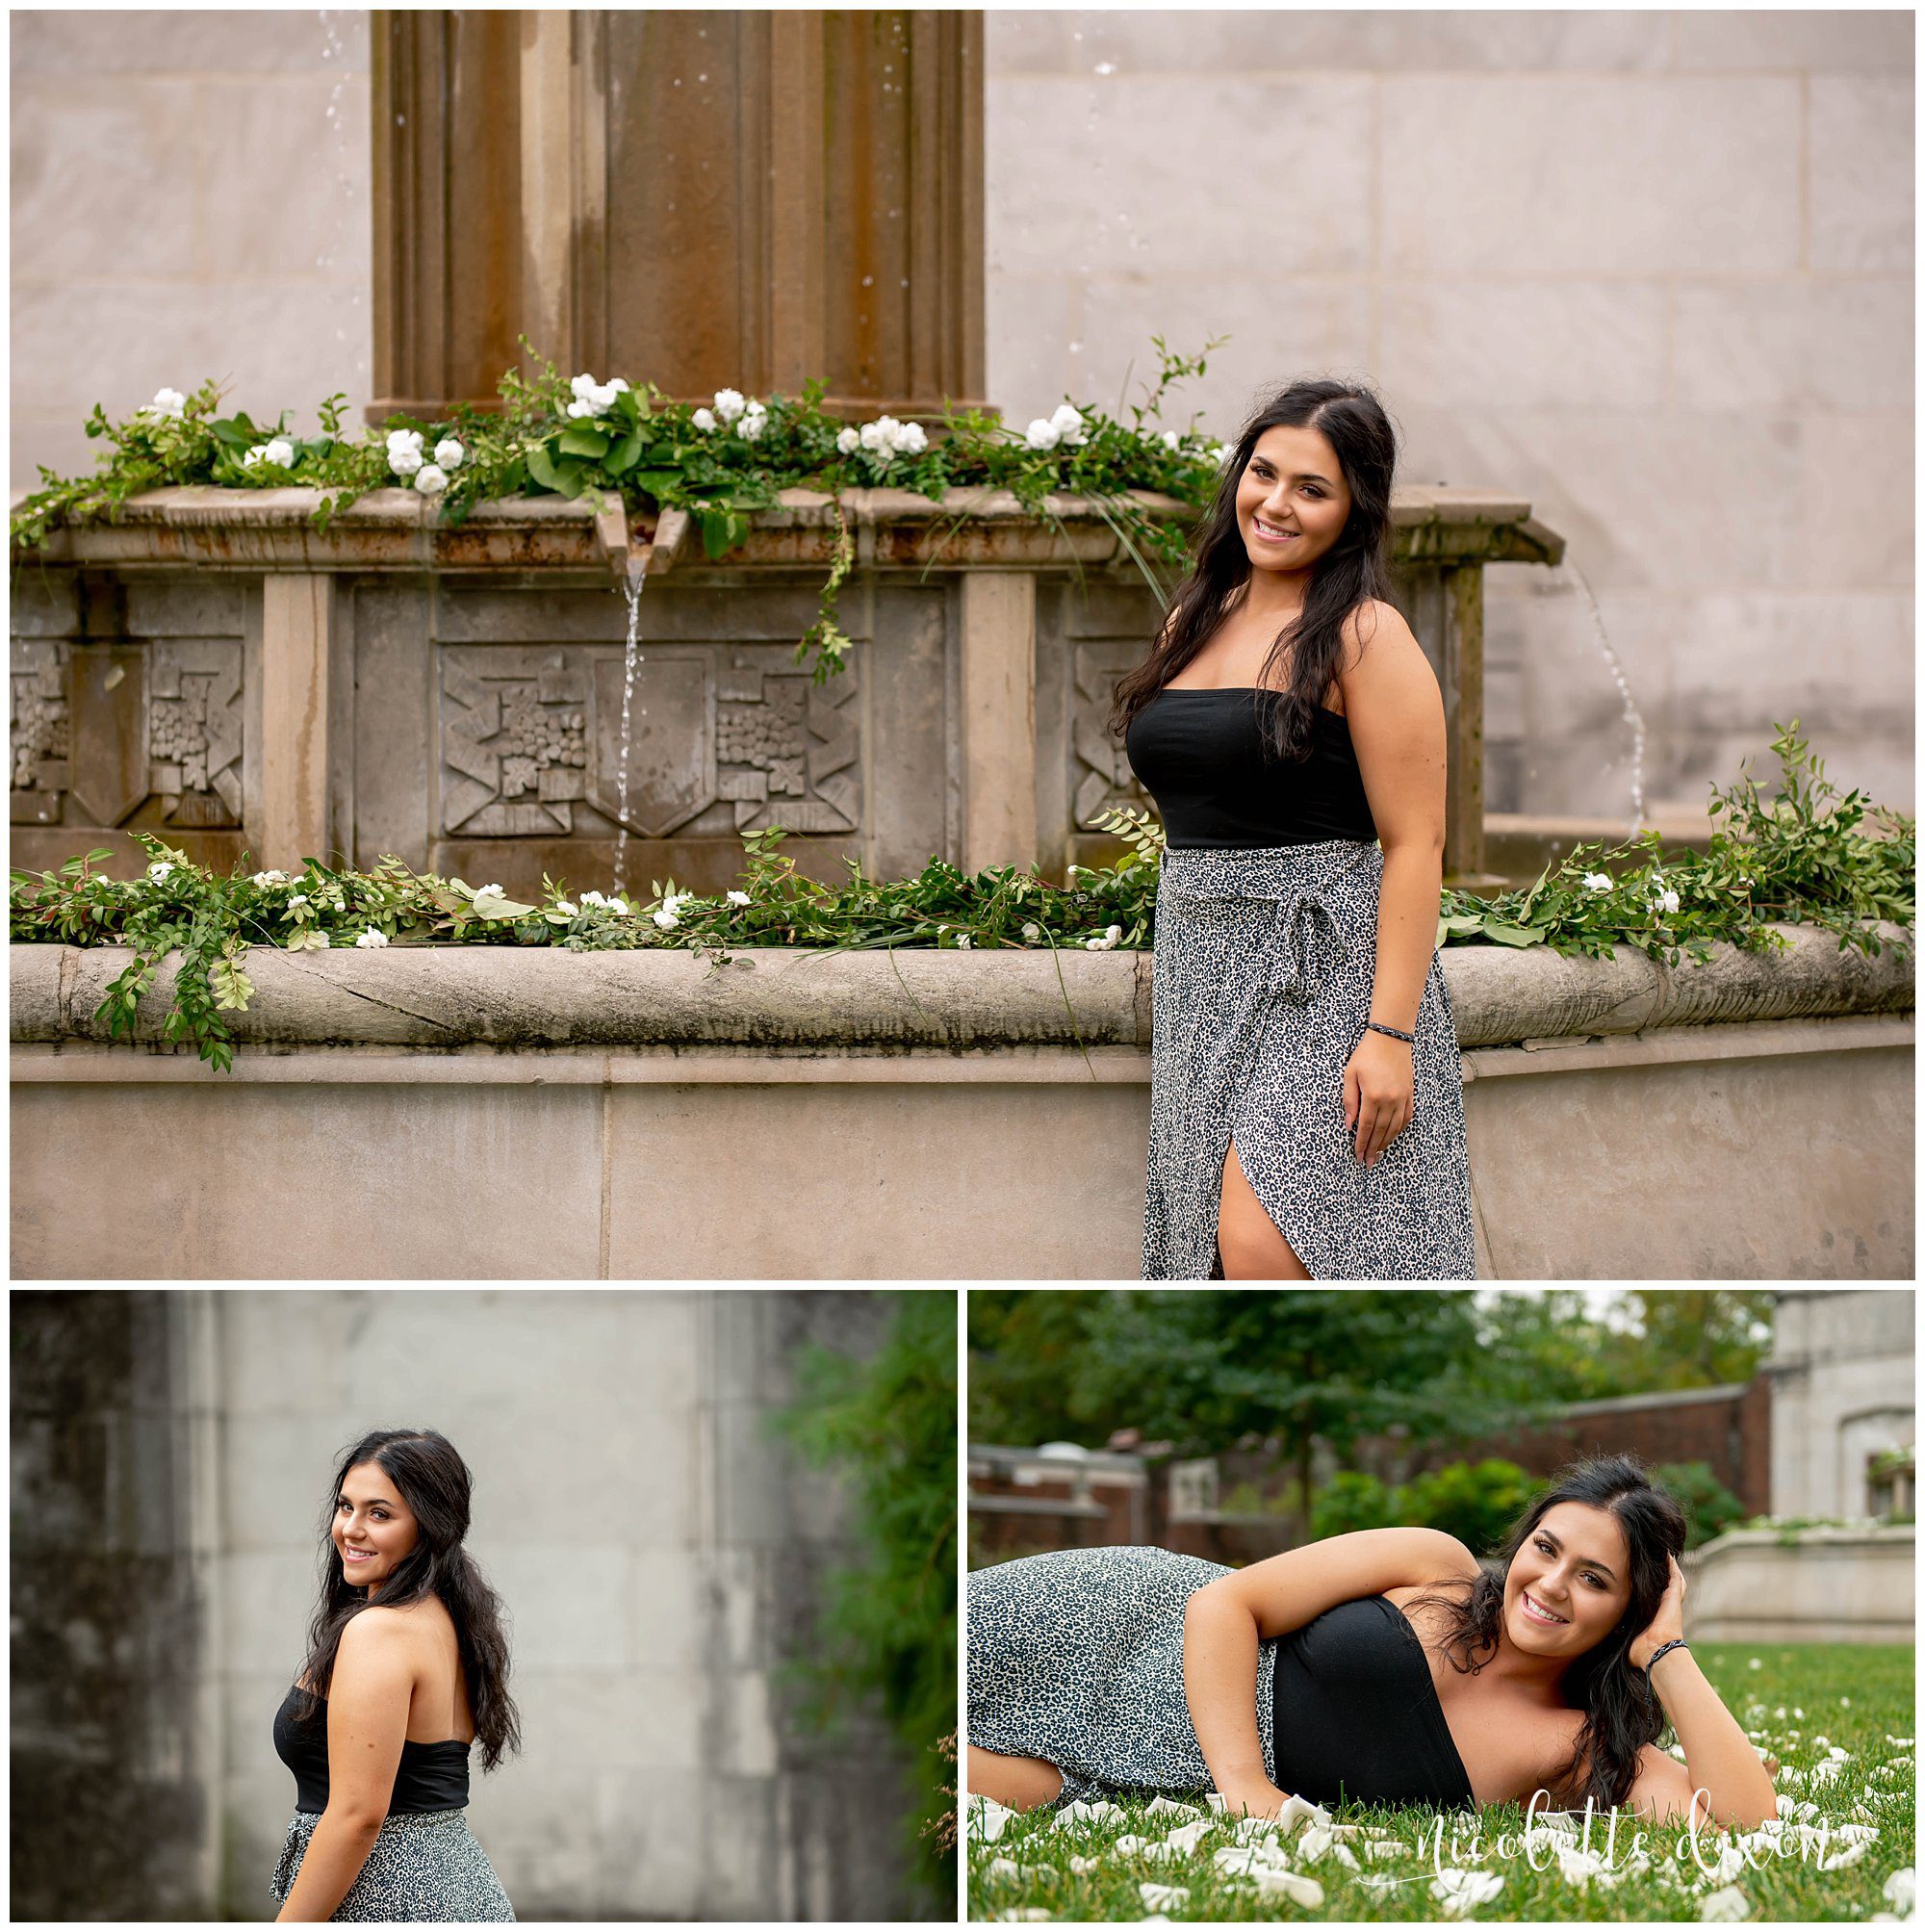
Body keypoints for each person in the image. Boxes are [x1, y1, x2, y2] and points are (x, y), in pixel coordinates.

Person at [1112, 377, 1476, 1279]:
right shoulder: (1196, 616)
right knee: (1212, 1248)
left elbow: (1416, 843)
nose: (1274, 504)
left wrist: (1389, 1035)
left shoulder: (1365, 633)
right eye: (1263, 472)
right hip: (1202, 963)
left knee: (1261, 1237)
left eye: (1311, 488)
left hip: (1325, 964)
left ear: (1355, 510)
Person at [967, 1454, 1776, 1831]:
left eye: (1595, 1579)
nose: (1552, 1583)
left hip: (1149, 1777)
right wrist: (1247, 1789)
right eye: (1546, 1547)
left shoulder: (1575, 1744)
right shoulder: (1437, 1565)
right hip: (1130, 1623)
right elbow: (1225, 1603)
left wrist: (1665, 1649)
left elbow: (1742, 1820)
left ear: (1630, 1609)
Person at [271, 1429, 520, 1921]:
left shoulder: (379, 1631)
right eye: (346, 1506)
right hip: (454, 1890)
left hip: (396, 1900)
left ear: (428, 1526)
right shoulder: (449, 1619)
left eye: (379, 1514)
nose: (351, 1529)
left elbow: (358, 1816)